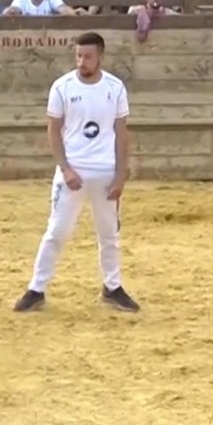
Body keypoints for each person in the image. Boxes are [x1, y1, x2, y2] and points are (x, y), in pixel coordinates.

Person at [13, 31, 139, 314]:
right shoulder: (62, 87)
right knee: (56, 232)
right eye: (79, 56)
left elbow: (121, 133)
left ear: (101, 57)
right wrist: (66, 168)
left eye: (88, 56)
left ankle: (112, 287)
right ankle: (37, 288)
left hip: (105, 172)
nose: (82, 61)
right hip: (74, 173)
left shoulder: (116, 88)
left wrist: (120, 175)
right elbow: (53, 131)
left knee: (109, 235)